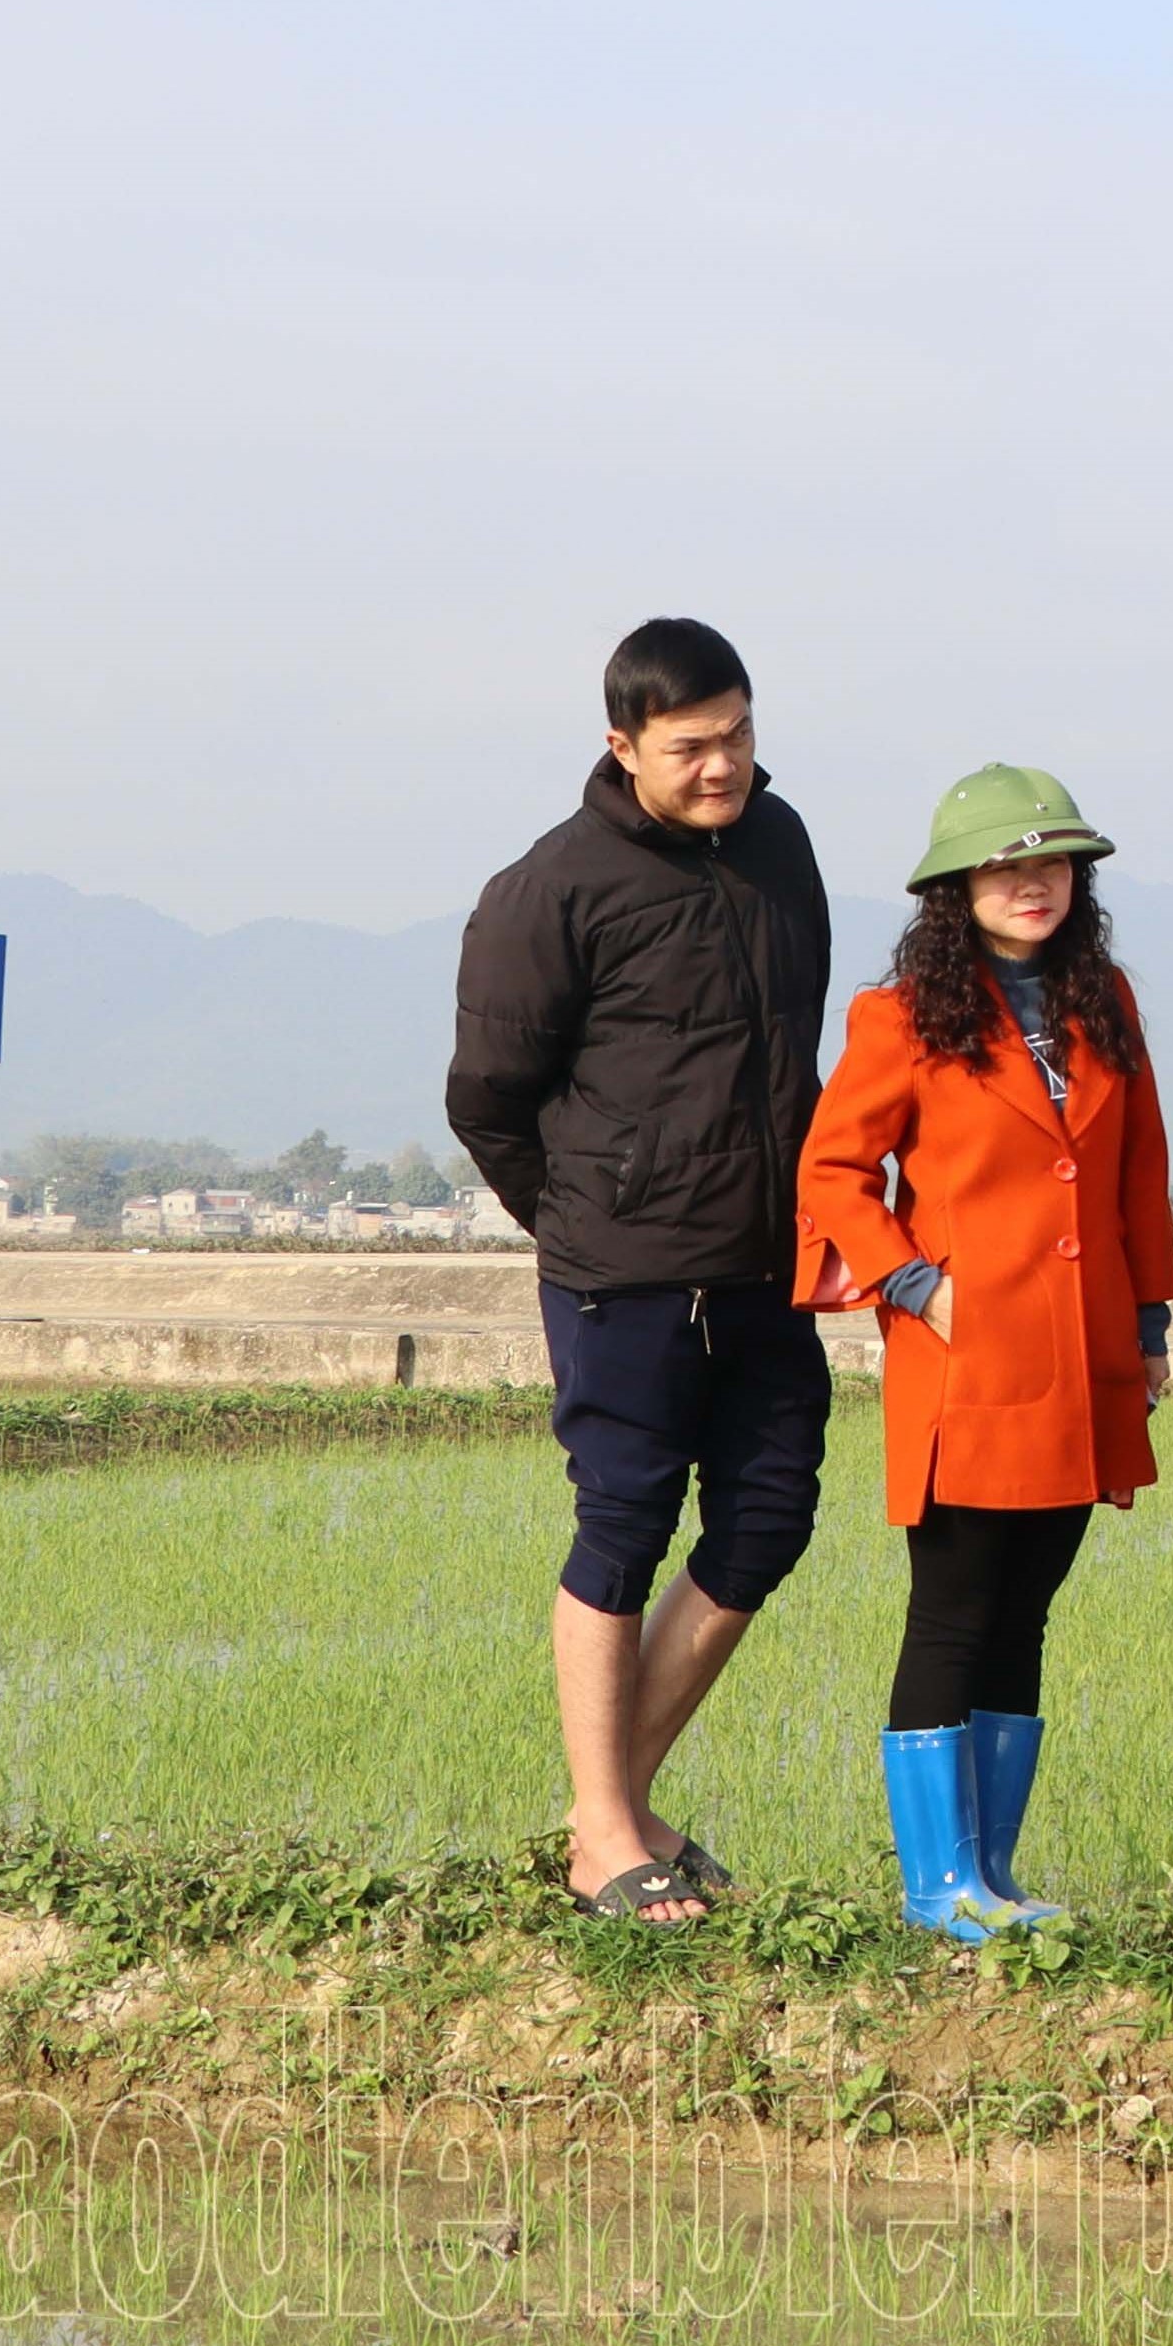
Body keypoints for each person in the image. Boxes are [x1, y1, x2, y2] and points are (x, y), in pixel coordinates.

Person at [446, 618, 836, 1925]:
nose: (723, 765)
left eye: (737, 735)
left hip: (765, 1258)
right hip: (623, 1270)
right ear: (622, 744)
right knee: (621, 1521)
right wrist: (581, 1218)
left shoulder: (779, 847)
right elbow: (490, 1095)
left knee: (768, 1515)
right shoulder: (549, 889)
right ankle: (608, 1828)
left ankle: (607, 1810)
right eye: (691, 746)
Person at [796, 767, 1173, 1942]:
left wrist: (1152, 1322)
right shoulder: (900, 1014)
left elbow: (1139, 1173)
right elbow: (831, 1171)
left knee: (1028, 1615)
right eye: (1009, 864)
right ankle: (935, 1889)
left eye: (1055, 862)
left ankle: (993, 1876)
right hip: (968, 1359)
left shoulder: (1099, 994)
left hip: (1087, 1360)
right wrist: (916, 1281)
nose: (1035, 882)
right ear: (956, 886)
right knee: (954, 1610)